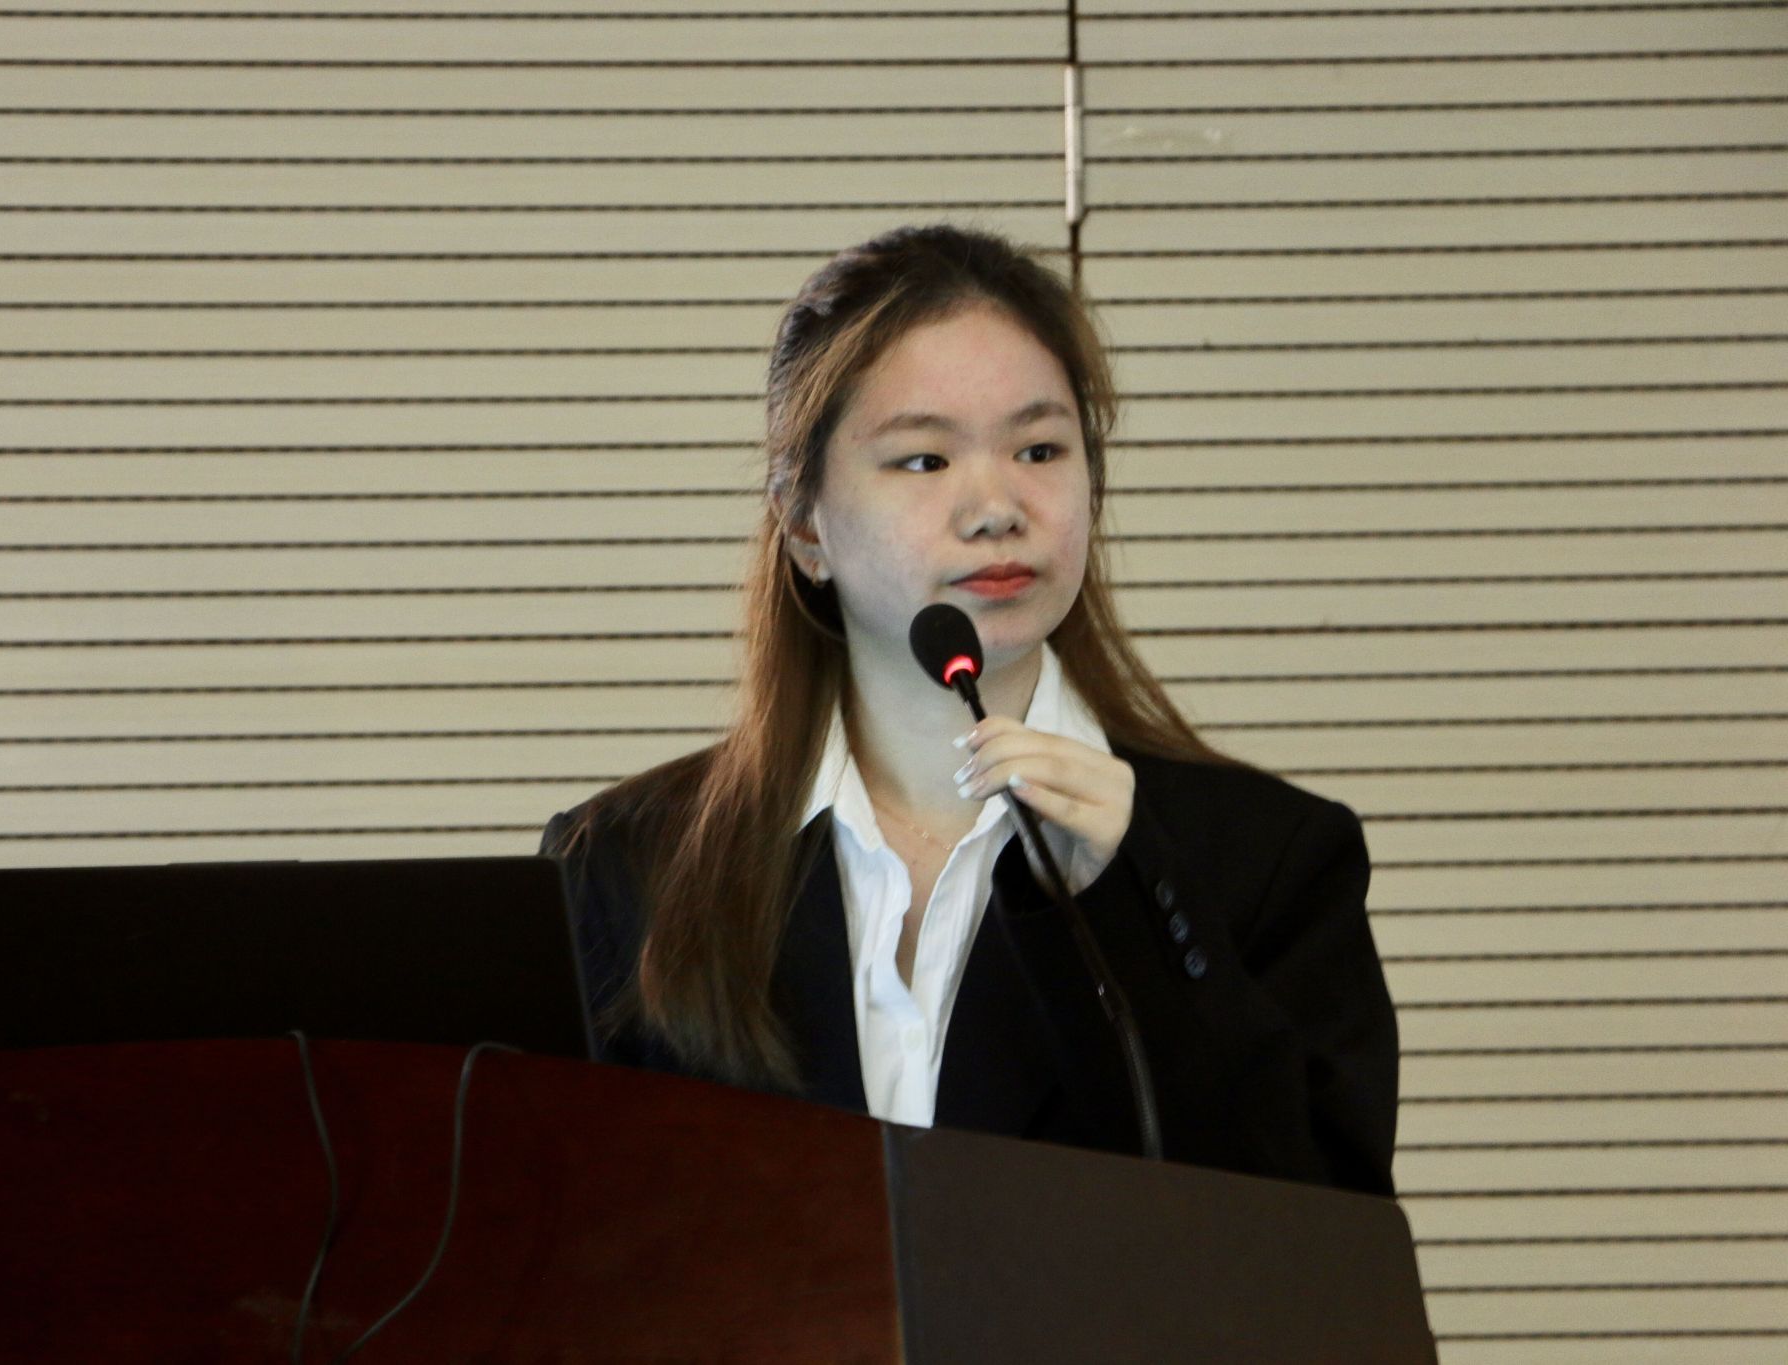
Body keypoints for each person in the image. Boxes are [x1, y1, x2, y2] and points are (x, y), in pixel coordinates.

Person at [541, 224, 1399, 1197]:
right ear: (804, 522)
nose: (996, 507)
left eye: (1039, 449)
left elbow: (1317, 1240)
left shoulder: (1265, 862)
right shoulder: (623, 868)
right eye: (923, 460)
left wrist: (1123, 909)